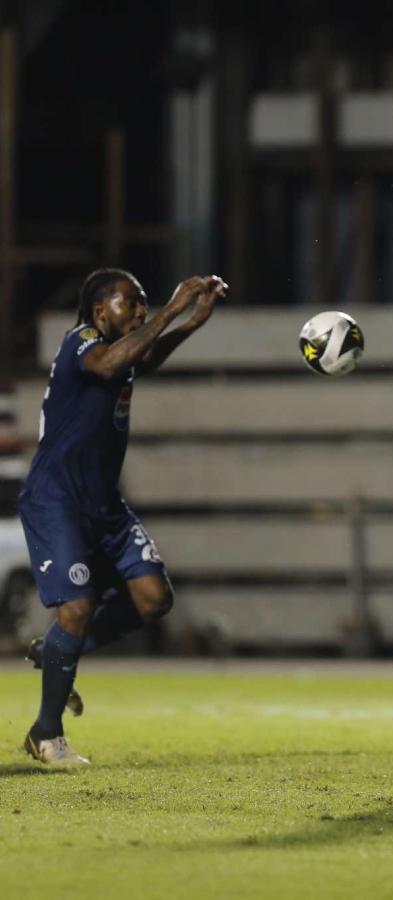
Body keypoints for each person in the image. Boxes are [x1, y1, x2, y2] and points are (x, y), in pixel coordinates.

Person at [21, 268, 227, 765]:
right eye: (131, 303)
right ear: (99, 311)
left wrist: (193, 321)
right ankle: (46, 735)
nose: (139, 309)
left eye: (143, 303)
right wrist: (171, 308)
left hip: (103, 504)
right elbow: (113, 362)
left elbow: (143, 357)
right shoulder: (84, 341)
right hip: (58, 499)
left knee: (154, 598)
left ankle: (56, 655)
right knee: (75, 608)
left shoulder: (121, 353)